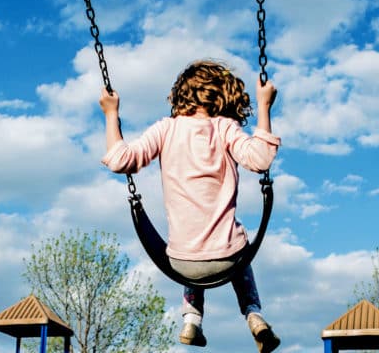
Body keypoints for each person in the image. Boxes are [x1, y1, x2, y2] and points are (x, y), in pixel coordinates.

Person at [99, 59, 281, 352]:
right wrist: (264, 105)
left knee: (190, 242)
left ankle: (192, 319)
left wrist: (111, 113)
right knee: (239, 242)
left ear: (181, 93)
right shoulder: (225, 128)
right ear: (222, 95)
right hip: (229, 259)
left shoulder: (165, 130)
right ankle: (254, 313)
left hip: (181, 263)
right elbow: (260, 160)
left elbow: (120, 160)